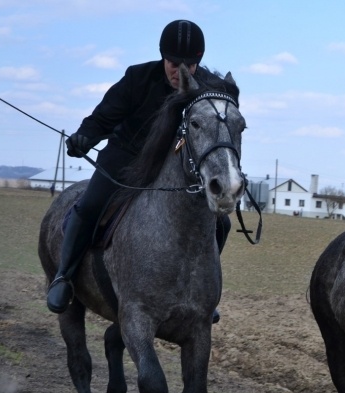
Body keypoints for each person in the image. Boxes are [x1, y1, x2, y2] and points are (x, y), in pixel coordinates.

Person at [46, 20, 232, 323]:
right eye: (174, 63)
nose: (181, 71)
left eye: (190, 64)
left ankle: (202, 293)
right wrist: (85, 137)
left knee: (220, 222)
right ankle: (64, 276)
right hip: (125, 158)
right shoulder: (137, 78)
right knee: (91, 205)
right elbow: (103, 117)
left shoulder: (208, 87)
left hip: (174, 168)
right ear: (163, 57)